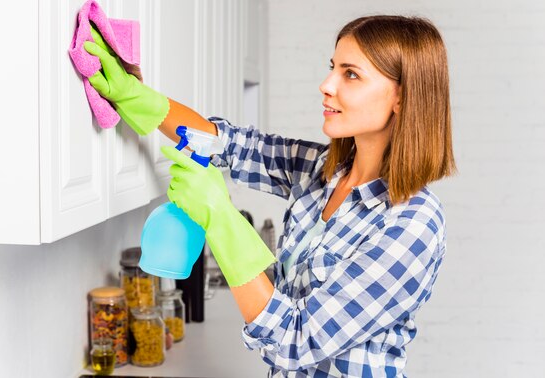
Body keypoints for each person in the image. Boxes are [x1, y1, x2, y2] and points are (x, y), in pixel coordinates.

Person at [84, 14, 455, 378]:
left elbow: (294, 339)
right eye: (333, 67)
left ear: (402, 99)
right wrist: (133, 96)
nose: (327, 84)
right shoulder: (319, 169)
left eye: (351, 74)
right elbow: (228, 143)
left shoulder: (413, 222)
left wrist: (221, 217)